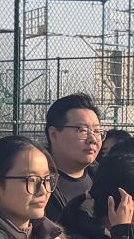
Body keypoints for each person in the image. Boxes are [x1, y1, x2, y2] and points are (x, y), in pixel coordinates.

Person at [43, 93, 104, 224]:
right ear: (54, 134)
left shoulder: (104, 179)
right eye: (82, 130)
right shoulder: (34, 183)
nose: (92, 139)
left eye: (97, 131)